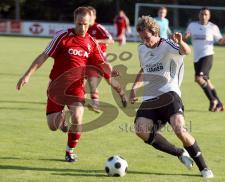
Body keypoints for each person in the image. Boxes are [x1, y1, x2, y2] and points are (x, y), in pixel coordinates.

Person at [16, 7, 125, 162]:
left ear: (89, 23)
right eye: (79, 23)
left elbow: (103, 64)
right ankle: (61, 120)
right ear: (75, 21)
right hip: (57, 88)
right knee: (53, 126)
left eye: (86, 24)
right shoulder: (62, 36)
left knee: (78, 117)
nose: (82, 27)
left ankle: (70, 151)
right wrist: (27, 75)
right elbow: (43, 56)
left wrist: (112, 72)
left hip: (76, 88)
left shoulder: (91, 42)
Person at [129, 15, 214, 178]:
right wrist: (134, 88)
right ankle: (179, 153)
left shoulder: (167, 44)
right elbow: (144, 69)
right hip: (150, 98)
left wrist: (181, 41)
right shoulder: (142, 48)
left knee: (179, 128)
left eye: (147, 37)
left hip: (170, 94)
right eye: (142, 38)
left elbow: (186, 51)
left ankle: (204, 168)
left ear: (155, 32)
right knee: (140, 130)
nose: (145, 41)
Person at [184, 7, 225, 112]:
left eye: (206, 14)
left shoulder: (213, 27)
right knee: (207, 81)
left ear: (209, 16)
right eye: (202, 14)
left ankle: (212, 100)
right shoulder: (192, 26)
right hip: (196, 58)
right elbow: (185, 38)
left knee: (198, 78)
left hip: (207, 55)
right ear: (198, 15)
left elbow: (220, 41)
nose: (203, 16)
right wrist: (184, 37)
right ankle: (219, 104)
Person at [86, 6, 126, 113]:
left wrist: (96, 41)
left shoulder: (98, 27)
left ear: (94, 16)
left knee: (110, 82)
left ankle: (122, 93)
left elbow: (111, 40)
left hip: (101, 59)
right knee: (92, 83)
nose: (87, 17)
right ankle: (95, 104)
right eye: (86, 15)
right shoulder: (83, 28)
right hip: (89, 60)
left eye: (90, 15)